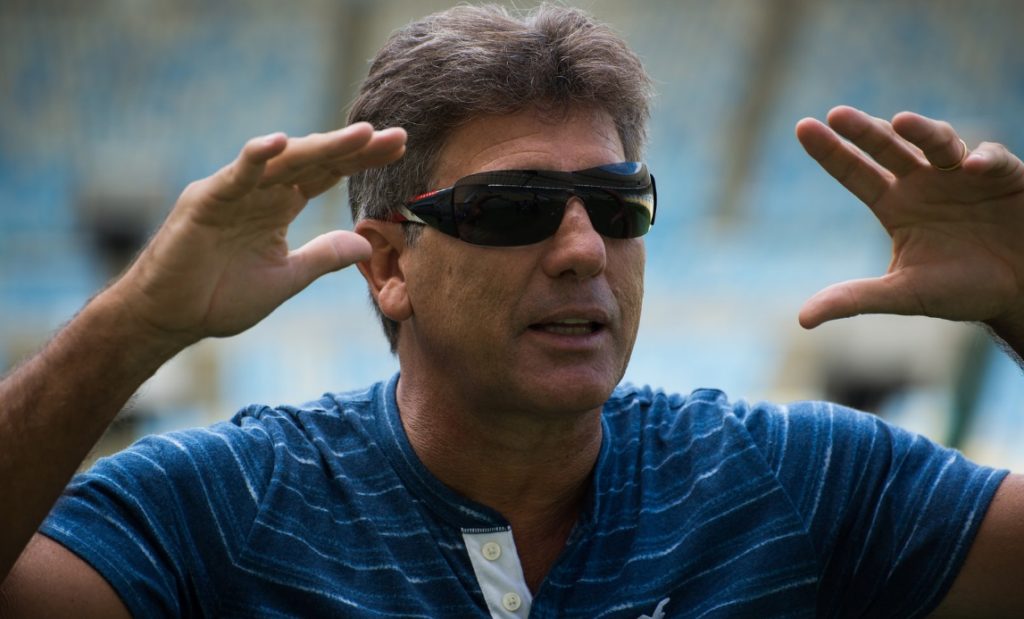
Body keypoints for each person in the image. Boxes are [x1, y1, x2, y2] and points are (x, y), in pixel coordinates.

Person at [1, 4, 1023, 617]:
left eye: (617, 206)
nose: (583, 250)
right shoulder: (227, 508)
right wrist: (133, 325)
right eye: (513, 209)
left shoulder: (790, 481)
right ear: (388, 265)